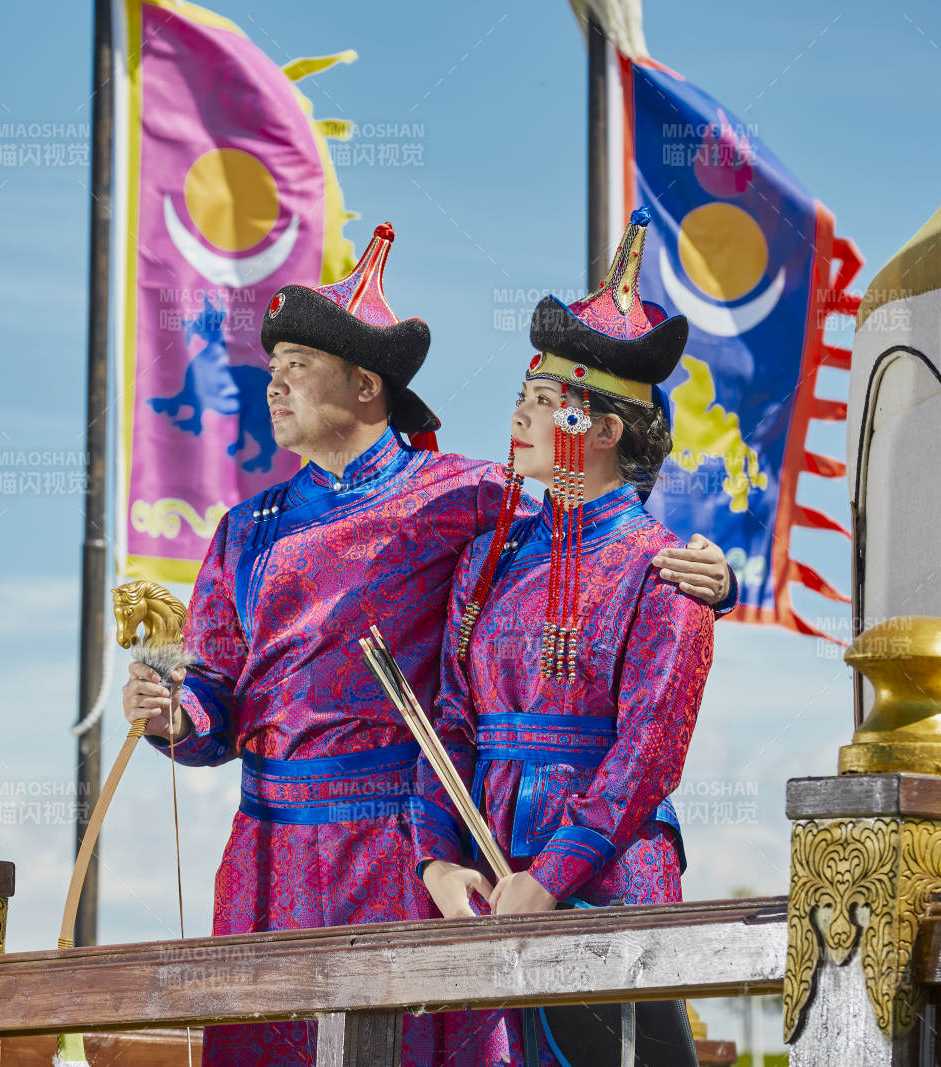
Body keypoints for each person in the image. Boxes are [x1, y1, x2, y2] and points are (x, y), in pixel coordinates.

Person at [122, 222, 731, 1067]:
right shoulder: (244, 532)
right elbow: (214, 697)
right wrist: (170, 715)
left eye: (300, 364)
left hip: (405, 850)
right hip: (281, 849)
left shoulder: (466, 498)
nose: (276, 382)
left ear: (367, 384)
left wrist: (713, 575)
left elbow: (594, 524)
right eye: (275, 364)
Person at [416, 209, 712, 1065]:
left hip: (605, 884)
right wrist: (439, 860)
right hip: (487, 876)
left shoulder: (667, 571)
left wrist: (550, 876)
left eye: (545, 401)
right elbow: (450, 724)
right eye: (523, 395)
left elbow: (647, 753)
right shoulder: (487, 558)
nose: (521, 413)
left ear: (605, 429)